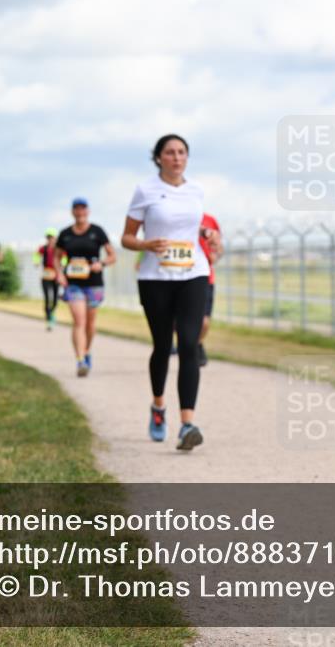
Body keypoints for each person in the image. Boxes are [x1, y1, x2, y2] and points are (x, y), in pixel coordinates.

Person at [121, 134, 210, 451]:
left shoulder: (196, 189)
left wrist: (206, 233)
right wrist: (146, 244)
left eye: (182, 152)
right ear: (158, 158)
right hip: (155, 276)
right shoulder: (146, 190)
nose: (176, 157)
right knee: (162, 345)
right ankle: (158, 407)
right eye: (170, 152)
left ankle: (187, 424)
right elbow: (127, 238)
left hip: (193, 272)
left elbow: (190, 226)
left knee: (189, 344)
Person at [54, 199, 116, 377]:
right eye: (76, 209)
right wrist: (59, 274)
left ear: (88, 211)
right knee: (78, 320)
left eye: (83, 208)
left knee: (90, 323)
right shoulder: (65, 234)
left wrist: (101, 263)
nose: (80, 212)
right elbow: (57, 257)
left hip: (94, 283)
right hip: (74, 284)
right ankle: (80, 359)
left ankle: (87, 350)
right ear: (72, 212)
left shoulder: (97, 231)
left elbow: (112, 256)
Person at [197, 213, 223, 367]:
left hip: (206, 278)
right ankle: (189, 346)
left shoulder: (210, 220)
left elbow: (218, 246)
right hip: (182, 278)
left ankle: (198, 343)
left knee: (204, 321)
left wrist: (216, 254)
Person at [36, 228, 60, 331]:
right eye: (48, 237)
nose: (50, 239)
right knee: (47, 298)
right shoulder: (43, 248)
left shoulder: (58, 249)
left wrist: (63, 264)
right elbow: (36, 256)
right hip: (46, 275)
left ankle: (52, 312)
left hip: (55, 275)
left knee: (55, 299)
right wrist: (36, 262)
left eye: (52, 237)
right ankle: (49, 320)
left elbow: (64, 257)